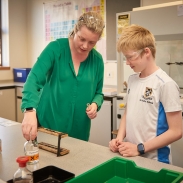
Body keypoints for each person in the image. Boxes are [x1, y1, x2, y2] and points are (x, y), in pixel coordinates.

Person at [21, 11, 105, 141]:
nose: (85, 46)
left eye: (91, 43)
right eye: (82, 39)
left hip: (79, 132)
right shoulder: (55, 49)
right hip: (48, 127)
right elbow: (33, 80)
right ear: (75, 30)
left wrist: (95, 104)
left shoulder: (97, 60)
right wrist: (29, 111)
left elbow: (99, 93)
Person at [109, 24, 182, 164]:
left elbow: (176, 131)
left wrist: (140, 148)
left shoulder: (165, 84)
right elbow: (127, 112)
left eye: (130, 57)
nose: (127, 63)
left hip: (155, 161)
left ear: (146, 52)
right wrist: (119, 138)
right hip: (130, 155)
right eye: (125, 58)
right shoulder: (132, 80)